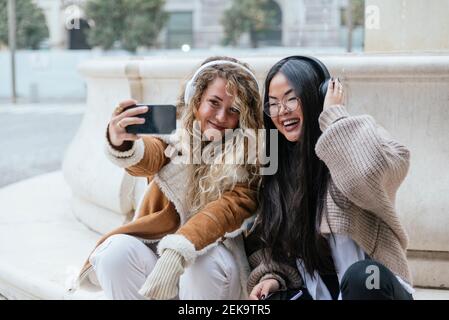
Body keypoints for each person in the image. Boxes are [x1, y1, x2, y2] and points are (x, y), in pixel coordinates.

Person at [71, 56, 263, 300]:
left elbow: (225, 211)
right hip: (162, 258)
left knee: (203, 264)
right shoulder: (177, 141)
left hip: (217, 266)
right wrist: (121, 142)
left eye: (234, 110)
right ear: (196, 101)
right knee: (114, 253)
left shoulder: (252, 158)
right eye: (213, 103)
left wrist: (179, 248)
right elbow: (150, 154)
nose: (221, 116)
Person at [246, 56, 414, 300]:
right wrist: (273, 277)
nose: (282, 111)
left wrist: (334, 118)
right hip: (320, 293)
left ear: (320, 95)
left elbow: (365, 177)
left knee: (362, 277)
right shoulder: (278, 167)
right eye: (273, 103)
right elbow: (274, 245)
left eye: (292, 98)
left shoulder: (357, 136)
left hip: (373, 288)